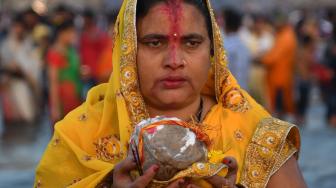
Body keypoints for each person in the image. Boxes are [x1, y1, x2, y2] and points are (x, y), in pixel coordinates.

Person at [35, 0, 306, 187]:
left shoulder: (258, 136)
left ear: (213, 52)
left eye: (191, 42)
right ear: (128, 50)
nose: (174, 60)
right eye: (155, 42)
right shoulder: (79, 137)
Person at [261, 15, 298, 119]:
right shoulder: (283, 34)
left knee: (279, 113)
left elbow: (273, 58)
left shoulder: (286, 37)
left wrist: (260, 59)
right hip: (280, 78)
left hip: (279, 80)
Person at [46, 20, 82, 123]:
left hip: (74, 95)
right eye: (71, 33)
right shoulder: (55, 53)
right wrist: (55, 107)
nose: (73, 36)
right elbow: (53, 81)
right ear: (61, 34)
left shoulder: (71, 50)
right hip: (62, 99)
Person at [222, 9, 251, 91]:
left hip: (228, 92)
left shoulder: (223, 46)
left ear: (225, 25)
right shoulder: (245, 47)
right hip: (243, 93)